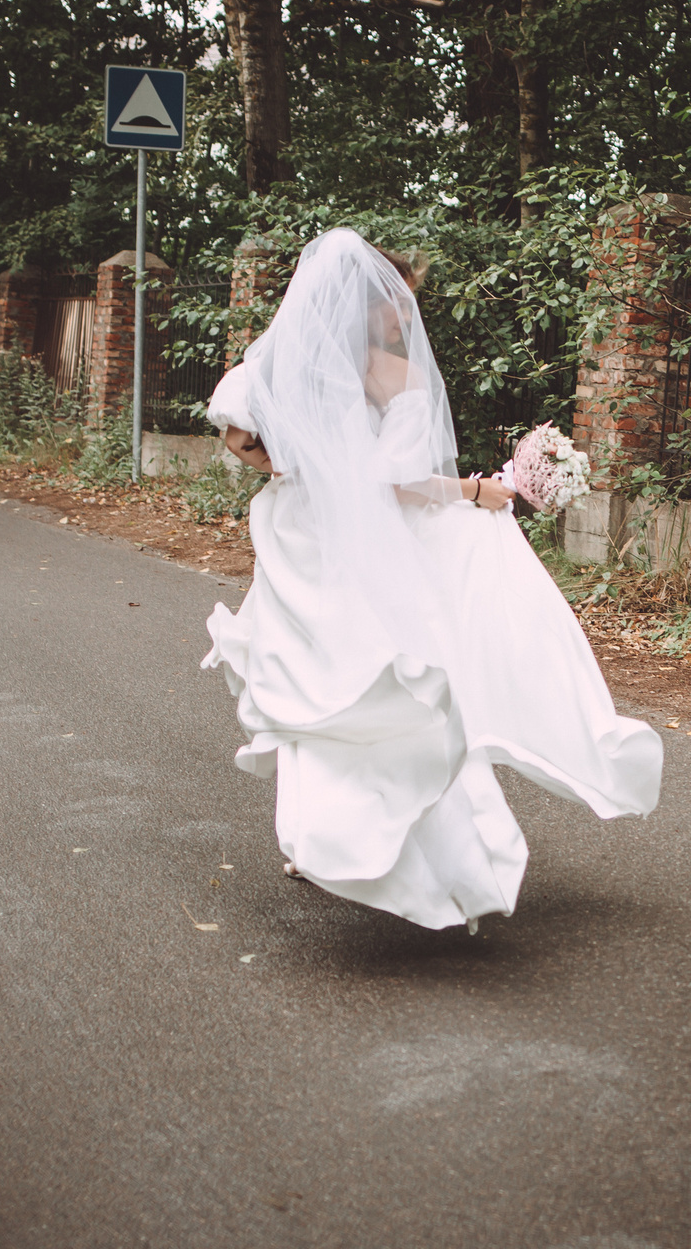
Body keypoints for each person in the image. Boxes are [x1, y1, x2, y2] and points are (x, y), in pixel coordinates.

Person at [201, 228, 662, 931]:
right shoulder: (395, 376)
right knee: (362, 686)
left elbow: (236, 433)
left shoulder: (288, 364)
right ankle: (381, 848)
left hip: (297, 533)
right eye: (399, 300)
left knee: (314, 684)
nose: (407, 313)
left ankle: (316, 839)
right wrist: (474, 492)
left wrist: (291, 465)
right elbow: (397, 483)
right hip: (352, 545)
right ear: (369, 304)